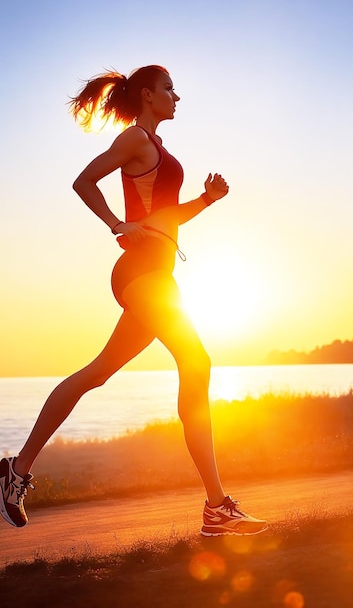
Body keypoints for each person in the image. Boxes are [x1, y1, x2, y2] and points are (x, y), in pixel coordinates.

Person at [0, 65, 267, 537]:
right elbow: (84, 181)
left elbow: (164, 216)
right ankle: (216, 506)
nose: (176, 96)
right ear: (147, 95)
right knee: (196, 360)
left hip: (155, 274)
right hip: (142, 273)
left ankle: (14, 473)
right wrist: (116, 224)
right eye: (168, 89)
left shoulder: (158, 148)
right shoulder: (135, 140)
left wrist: (206, 200)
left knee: (97, 373)